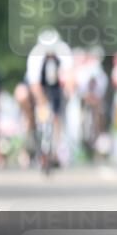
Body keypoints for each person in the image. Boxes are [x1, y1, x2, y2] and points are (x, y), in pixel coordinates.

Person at [26, 28, 74, 167]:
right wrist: (41, 102)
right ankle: (37, 141)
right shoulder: (35, 55)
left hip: (57, 85)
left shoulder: (63, 51)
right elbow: (34, 83)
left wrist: (68, 93)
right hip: (41, 85)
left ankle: (55, 149)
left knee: (57, 116)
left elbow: (69, 76)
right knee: (42, 112)